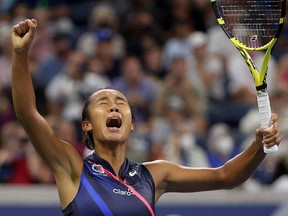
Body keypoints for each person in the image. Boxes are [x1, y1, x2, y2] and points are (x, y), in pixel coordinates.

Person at [11, 19, 282, 216]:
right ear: (87, 125)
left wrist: (258, 147)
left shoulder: (153, 175)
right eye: (103, 103)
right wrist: (21, 54)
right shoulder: (73, 169)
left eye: (121, 103)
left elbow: (225, 176)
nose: (114, 108)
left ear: (132, 125)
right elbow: (27, 114)